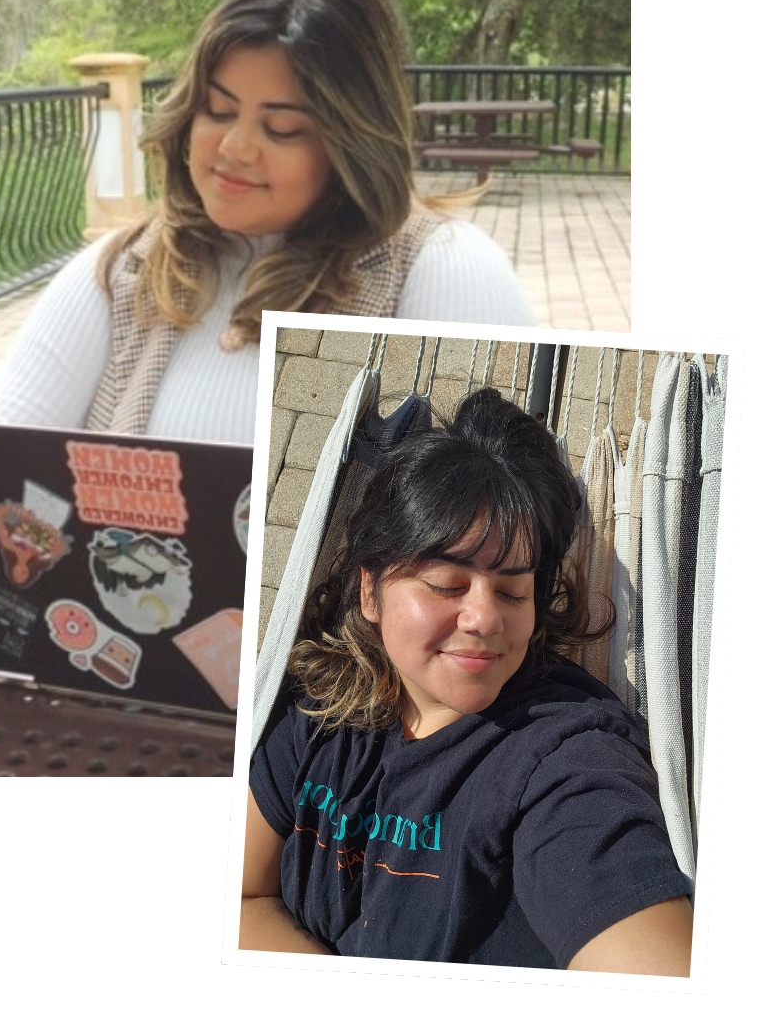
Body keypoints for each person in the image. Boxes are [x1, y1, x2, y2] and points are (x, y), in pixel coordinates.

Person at [0, 0, 531, 622]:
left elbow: (509, 495)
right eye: (217, 109)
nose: (231, 147)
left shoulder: (440, 269)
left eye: (283, 127)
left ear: (351, 141)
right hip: (119, 682)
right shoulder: (128, 268)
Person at [242, 389, 694, 974]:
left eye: (512, 591)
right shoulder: (320, 710)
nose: (485, 618)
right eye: (447, 585)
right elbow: (245, 895)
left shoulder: (562, 758)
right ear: (370, 592)